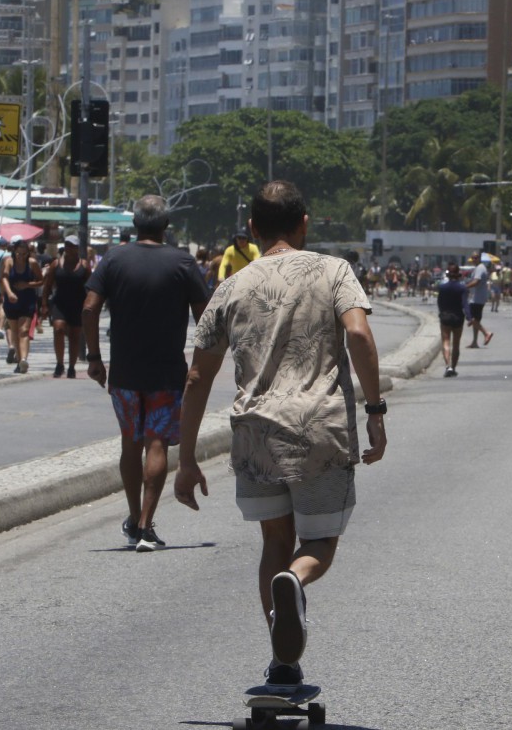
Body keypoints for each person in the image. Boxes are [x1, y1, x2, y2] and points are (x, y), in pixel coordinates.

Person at [173, 180, 386, 692]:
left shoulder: (231, 286)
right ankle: (299, 578)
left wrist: (186, 459)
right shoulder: (334, 271)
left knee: (274, 540)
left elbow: (197, 376)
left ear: (252, 229)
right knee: (319, 541)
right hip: (320, 427)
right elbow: (358, 334)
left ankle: (283, 662)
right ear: (304, 223)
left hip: (255, 432)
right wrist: (375, 410)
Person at [84, 195, 210, 552]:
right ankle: (145, 526)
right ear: (166, 225)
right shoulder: (182, 263)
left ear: (135, 223)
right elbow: (206, 318)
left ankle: (133, 516)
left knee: (130, 444)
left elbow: (89, 307)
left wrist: (93, 356)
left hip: (124, 372)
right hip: (166, 373)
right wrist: (204, 361)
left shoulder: (113, 259)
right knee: (156, 443)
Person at [41, 235, 91, 378]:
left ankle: (71, 366)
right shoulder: (56, 264)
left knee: (75, 336)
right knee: (58, 329)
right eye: (68, 245)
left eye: (73, 246)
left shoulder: (84, 266)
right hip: (60, 303)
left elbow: (92, 287)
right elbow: (47, 285)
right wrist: (44, 304)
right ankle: (59, 363)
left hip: (78, 304)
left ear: (77, 248)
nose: (70, 248)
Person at [0, 235, 42, 373]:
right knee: (15, 331)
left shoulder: (32, 263)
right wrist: (9, 293)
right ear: (14, 251)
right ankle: (18, 359)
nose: (21, 256)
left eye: (24, 254)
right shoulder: (8, 262)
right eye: (18, 253)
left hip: (27, 300)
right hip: (11, 300)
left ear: (28, 253)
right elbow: (4, 278)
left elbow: (41, 281)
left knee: (24, 331)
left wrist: (27, 285)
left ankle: (24, 359)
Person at [436, 262, 472, 377]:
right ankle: (454, 367)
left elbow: (439, 302)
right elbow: (465, 304)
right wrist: (469, 317)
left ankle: (448, 366)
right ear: (458, 274)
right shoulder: (462, 288)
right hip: (458, 318)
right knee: (456, 344)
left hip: (445, 316)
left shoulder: (442, 287)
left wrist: (441, 313)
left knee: (446, 342)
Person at [466, 254, 494, 348]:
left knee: (471, 318)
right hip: (477, 297)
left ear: (479, 258)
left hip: (476, 298)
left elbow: (476, 281)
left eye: (475, 258)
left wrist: (465, 287)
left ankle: (486, 333)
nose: (474, 259)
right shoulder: (479, 268)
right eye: (472, 258)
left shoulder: (480, 268)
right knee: (476, 320)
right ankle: (474, 342)